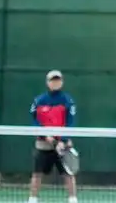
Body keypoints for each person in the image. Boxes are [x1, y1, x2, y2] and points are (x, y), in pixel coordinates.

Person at [28, 70, 77, 203]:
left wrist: (63, 140)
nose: (55, 83)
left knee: (68, 174)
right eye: (53, 80)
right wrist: (45, 136)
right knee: (37, 174)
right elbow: (34, 121)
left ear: (62, 82)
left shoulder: (68, 100)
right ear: (47, 82)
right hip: (43, 144)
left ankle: (73, 199)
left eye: (58, 80)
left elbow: (70, 121)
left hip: (62, 145)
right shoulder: (39, 100)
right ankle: (32, 199)